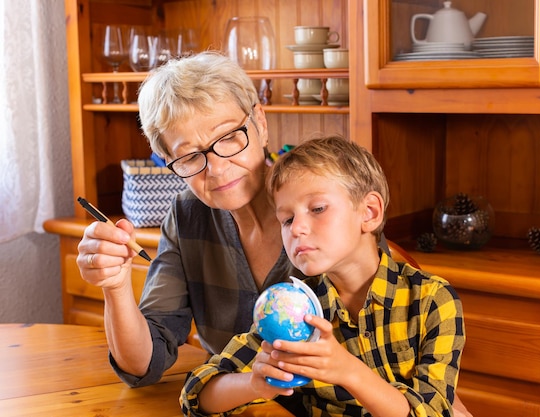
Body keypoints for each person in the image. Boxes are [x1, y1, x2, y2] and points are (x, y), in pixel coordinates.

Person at [180, 135, 466, 417]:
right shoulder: (292, 309)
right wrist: (254, 383)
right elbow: (196, 395)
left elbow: (434, 412)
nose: (297, 228)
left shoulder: (431, 300)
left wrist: (348, 371)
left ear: (369, 212)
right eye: (287, 219)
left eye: (317, 209)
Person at [76, 51, 305, 388]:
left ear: (260, 122)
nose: (217, 168)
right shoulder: (187, 216)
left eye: (228, 137)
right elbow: (144, 364)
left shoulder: (322, 202)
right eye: (188, 156)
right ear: (170, 161)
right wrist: (116, 286)